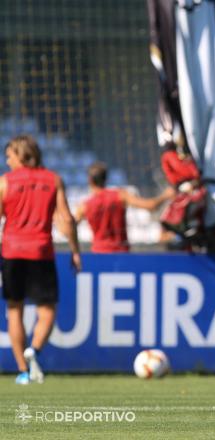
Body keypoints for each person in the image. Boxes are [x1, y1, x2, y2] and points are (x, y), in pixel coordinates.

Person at [0, 134, 82, 384]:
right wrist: (75, 250)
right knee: (47, 310)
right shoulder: (53, 180)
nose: (7, 161)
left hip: (12, 251)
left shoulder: (5, 182)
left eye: (10, 156)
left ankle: (23, 370)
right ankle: (33, 350)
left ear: (21, 155)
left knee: (14, 309)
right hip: (41, 252)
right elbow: (66, 219)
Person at [74, 162, 174, 253]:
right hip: (121, 252)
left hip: (99, 253)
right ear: (106, 178)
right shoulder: (120, 196)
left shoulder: (85, 205)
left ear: (89, 180)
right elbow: (150, 206)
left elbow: (70, 227)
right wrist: (165, 195)